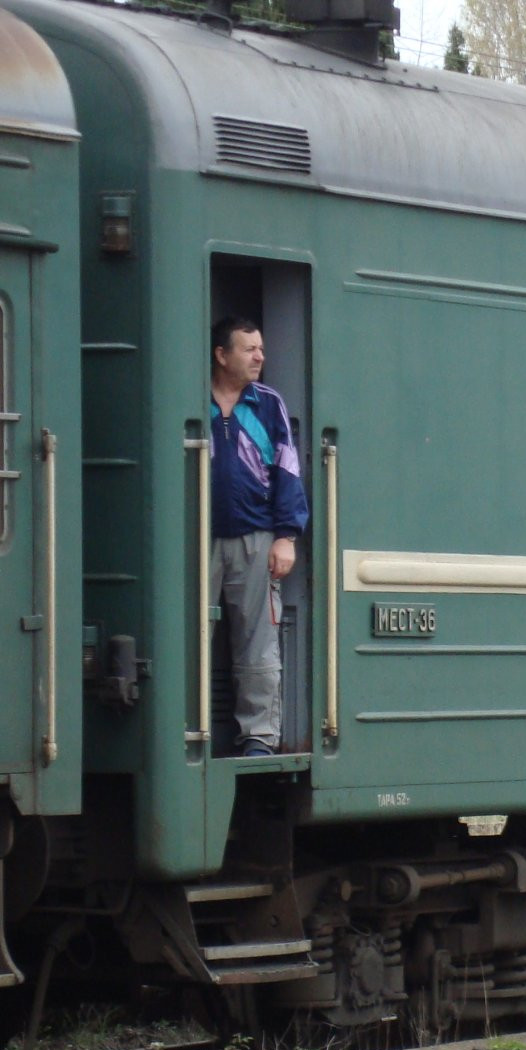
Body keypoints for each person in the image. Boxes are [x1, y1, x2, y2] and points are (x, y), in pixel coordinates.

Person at [208, 316, 309, 757]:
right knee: (189, 637)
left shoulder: (268, 403)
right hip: (197, 539)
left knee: (258, 641)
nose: (259, 357)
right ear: (221, 355)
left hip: (256, 538)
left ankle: (259, 737)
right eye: (249, 349)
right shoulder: (193, 400)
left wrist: (286, 536)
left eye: (261, 349)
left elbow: (288, 469)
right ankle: (189, 731)